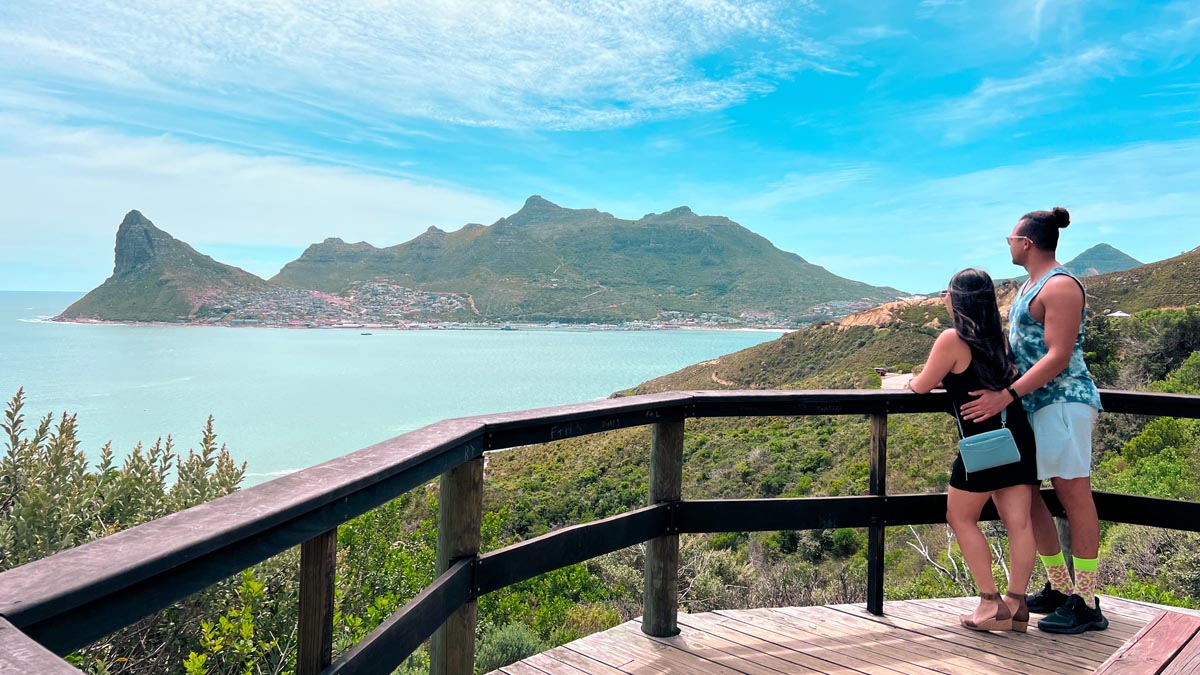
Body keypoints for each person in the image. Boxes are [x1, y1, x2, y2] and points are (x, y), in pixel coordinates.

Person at [960, 206, 1108, 634]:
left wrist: (1005, 394)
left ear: (1026, 242)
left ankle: (1086, 601)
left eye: (1010, 238)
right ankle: (1061, 587)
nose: (1007, 243)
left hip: (1062, 404)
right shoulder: (1031, 286)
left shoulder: (1060, 286)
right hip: (1031, 406)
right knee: (1029, 495)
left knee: (1074, 494)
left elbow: (1059, 356)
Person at [907, 268, 1039, 632]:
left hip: (981, 446)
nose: (944, 299)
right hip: (1016, 440)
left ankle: (989, 603)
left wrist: (907, 378)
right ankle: (1017, 603)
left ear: (957, 300)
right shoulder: (1000, 340)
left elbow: (920, 386)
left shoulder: (952, 339)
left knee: (960, 517)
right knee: (1020, 523)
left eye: (947, 293)